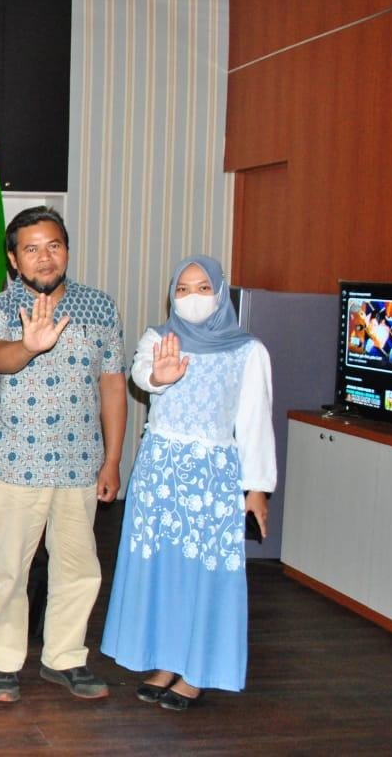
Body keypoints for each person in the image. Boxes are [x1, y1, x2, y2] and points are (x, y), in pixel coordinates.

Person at [101, 255, 276, 710]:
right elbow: (141, 373)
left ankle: (196, 672)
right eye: (183, 289)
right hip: (159, 471)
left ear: (220, 292)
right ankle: (164, 660)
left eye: (202, 288)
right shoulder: (160, 338)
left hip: (213, 476)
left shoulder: (248, 350)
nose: (192, 298)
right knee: (162, 570)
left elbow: (255, 422)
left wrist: (256, 487)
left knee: (204, 576)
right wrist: (157, 378)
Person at [0, 205, 126, 703]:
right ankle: (4, 663)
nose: (45, 258)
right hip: (15, 464)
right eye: (32, 249)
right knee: (9, 569)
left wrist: (112, 459)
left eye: (54, 246)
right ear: (15, 260)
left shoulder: (99, 307)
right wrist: (29, 345)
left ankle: (65, 658)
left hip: (82, 465)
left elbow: (112, 386)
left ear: (66, 250)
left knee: (79, 567)